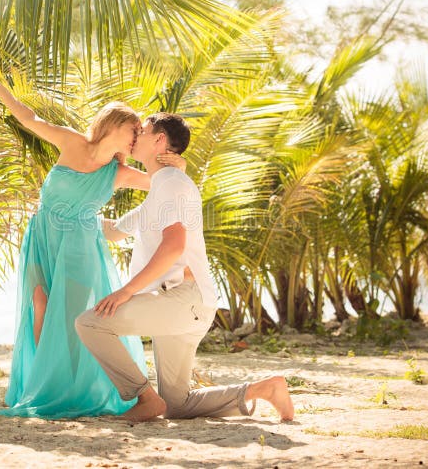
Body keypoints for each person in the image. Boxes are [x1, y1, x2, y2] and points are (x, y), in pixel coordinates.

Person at [75, 113, 295, 422]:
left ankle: (144, 399)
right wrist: (62, 212)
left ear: (160, 140)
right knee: (177, 405)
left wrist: (125, 292)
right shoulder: (160, 189)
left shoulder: (173, 184)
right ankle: (264, 390)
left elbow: (174, 246)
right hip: (185, 304)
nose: (135, 135)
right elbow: (112, 230)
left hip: (182, 300)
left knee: (90, 323)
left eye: (144, 131)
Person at [0, 83, 184, 419]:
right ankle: (42, 384)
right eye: (132, 129)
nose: (135, 137)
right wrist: (1, 92)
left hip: (79, 246)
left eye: (140, 132)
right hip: (42, 234)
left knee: (70, 319)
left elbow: (162, 182)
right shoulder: (72, 141)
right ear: (112, 124)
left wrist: (176, 167)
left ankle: (68, 390)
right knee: (38, 305)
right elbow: (30, 119)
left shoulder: (119, 173)